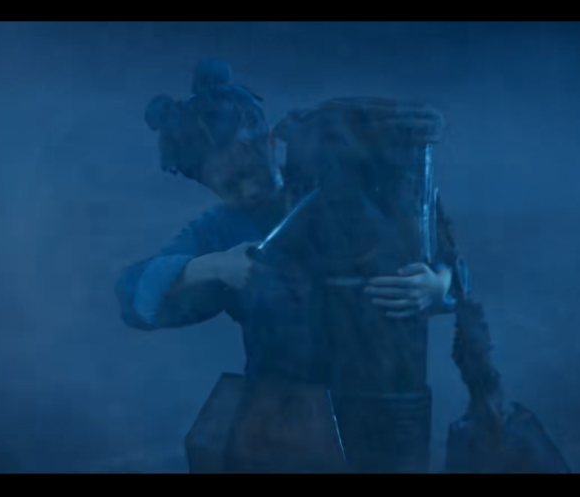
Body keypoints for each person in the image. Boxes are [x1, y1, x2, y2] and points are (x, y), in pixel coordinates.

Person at [116, 59, 499, 472]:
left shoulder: (346, 188)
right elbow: (133, 296)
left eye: (250, 170)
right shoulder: (219, 230)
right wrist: (212, 266)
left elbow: (450, 268)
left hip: (380, 405)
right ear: (206, 183)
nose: (249, 187)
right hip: (282, 420)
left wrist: (436, 285)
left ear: (269, 141)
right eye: (230, 184)